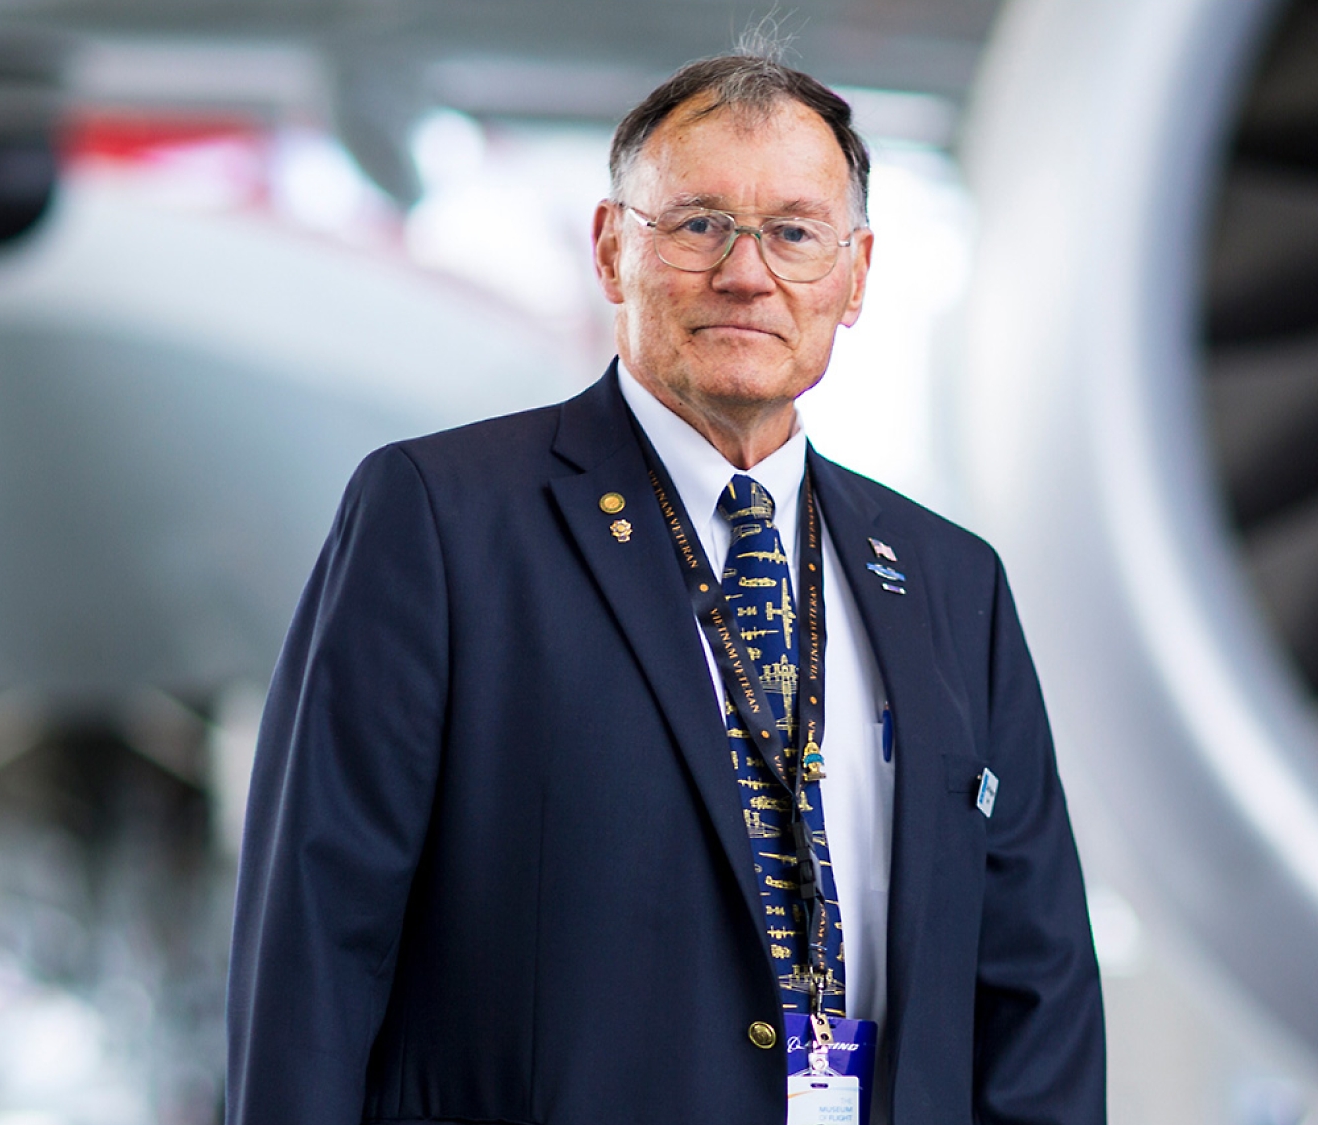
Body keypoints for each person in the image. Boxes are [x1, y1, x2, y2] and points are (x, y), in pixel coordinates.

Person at [226, 46, 1105, 1125]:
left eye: (792, 232)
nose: (746, 272)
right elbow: (317, 939)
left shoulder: (949, 583)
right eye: (696, 225)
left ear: (855, 274)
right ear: (610, 249)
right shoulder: (440, 519)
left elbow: (1035, 981)